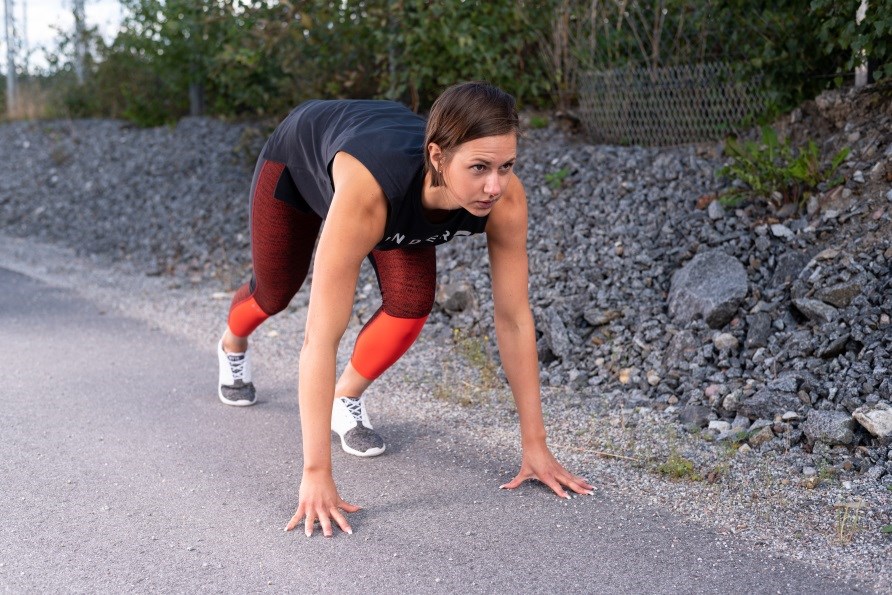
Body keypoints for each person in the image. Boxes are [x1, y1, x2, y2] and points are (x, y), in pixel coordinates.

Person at [217, 81, 594, 537]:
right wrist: (317, 473)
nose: (494, 186)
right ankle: (232, 343)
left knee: (412, 303)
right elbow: (321, 338)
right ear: (438, 157)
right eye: (479, 168)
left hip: (391, 173)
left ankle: (346, 396)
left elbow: (514, 317)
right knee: (275, 293)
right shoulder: (369, 195)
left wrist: (535, 446)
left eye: (506, 166)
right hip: (300, 160)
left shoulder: (504, 197)